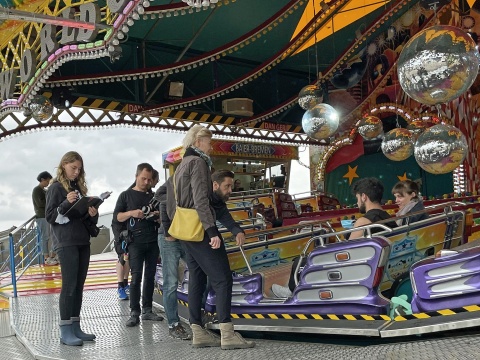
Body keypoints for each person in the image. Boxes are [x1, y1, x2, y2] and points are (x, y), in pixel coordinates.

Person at [166, 125, 254, 350]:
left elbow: (171, 204)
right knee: (223, 278)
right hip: (201, 230)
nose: (211, 145)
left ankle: (198, 330)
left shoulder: (180, 166)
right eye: (208, 141)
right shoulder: (198, 163)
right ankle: (227, 333)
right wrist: (212, 231)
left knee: (197, 276)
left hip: (187, 230)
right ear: (197, 142)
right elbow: (201, 200)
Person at [271, 177, 397, 298]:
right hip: (376, 265)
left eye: (358, 198)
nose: (357, 202)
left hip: (354, 268)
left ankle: (292, 290)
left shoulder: (364, 221)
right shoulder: (390, 219)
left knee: (301, 260)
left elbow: (348, 248)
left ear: (364, 197)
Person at [45, 151, 98, 346]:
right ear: (64, 165)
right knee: (69, 286)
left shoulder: (78, 187)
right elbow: (50, 216)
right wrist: (67, 202)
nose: (76, 172)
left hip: (82, 240)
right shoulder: (56, 188)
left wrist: (93, 212)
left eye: (79, 169)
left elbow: (82, 216)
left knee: (78, 286)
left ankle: (75, 326)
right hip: (66, 242)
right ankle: (65, 330)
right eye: (73, 167)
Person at [114, 163, 164, 327]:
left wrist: (157, 216)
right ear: (136, 176)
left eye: (149, 180)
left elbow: (162, 218)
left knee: (150, 276)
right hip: (135, 241)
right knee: (136, 277)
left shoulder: (154, 196)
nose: (146, 182)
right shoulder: (125, 196)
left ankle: (147, 310)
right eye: (143, 178)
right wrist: (132, 213)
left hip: (152, 239)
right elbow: (118, 218)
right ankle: (134, 311)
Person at [32, 171, 57, 265]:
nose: (48, 183)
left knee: (55, 235)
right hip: (42, 216)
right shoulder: (37, 190)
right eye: (47, 181)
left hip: (48, 215)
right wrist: (50, 202)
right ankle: (47, 258)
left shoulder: (45, 190)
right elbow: (40, 203)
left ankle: (52, 256)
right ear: (42, 180)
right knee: (45, 237)